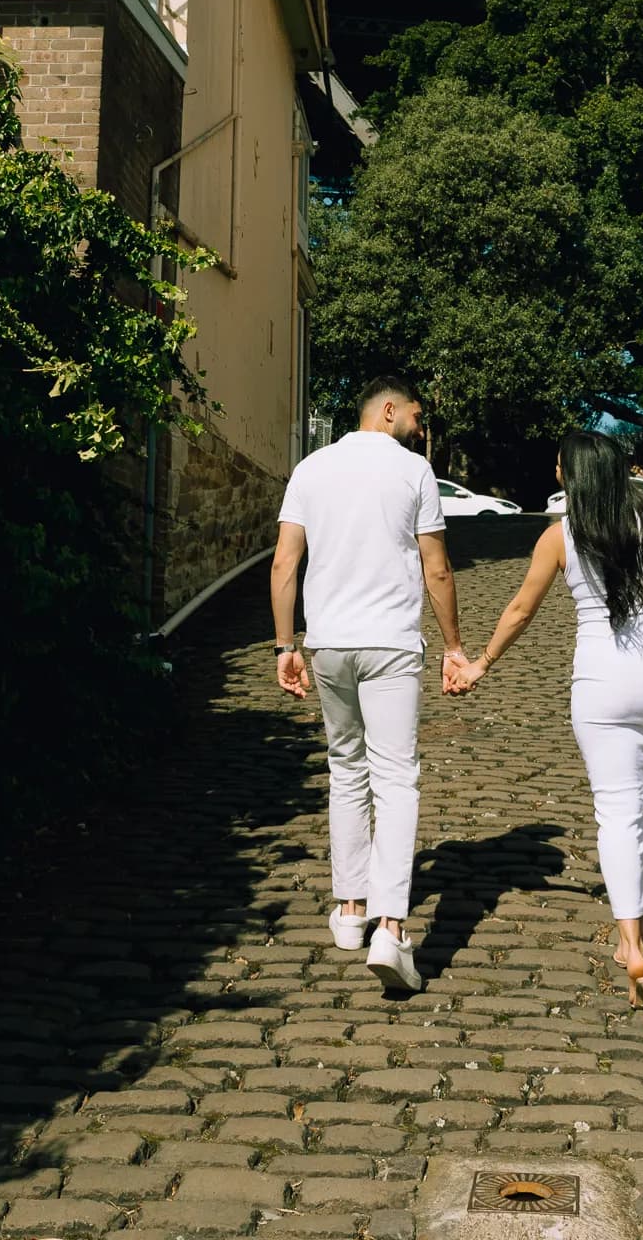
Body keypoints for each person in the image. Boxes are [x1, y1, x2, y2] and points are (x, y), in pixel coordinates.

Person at [452, 430, 643, 1017]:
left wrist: (480, 664)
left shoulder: (559, 536)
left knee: (615, 809)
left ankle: (632, 944)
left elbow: (520, 610)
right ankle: (634, 925)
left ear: (570, 474)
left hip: (602, 684)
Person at [270, 374, 469, 994]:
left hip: (327, 642)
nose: (418, 424)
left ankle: (350, 911)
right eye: (413, 413)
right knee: (396, 776)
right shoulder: (414, 473)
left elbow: (284, 562)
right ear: (388, 410)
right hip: (389, 643)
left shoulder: (310, 468)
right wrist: (455, 646)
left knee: (347, 770)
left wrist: (285, 645)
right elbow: (435, 567)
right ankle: (391, 928)